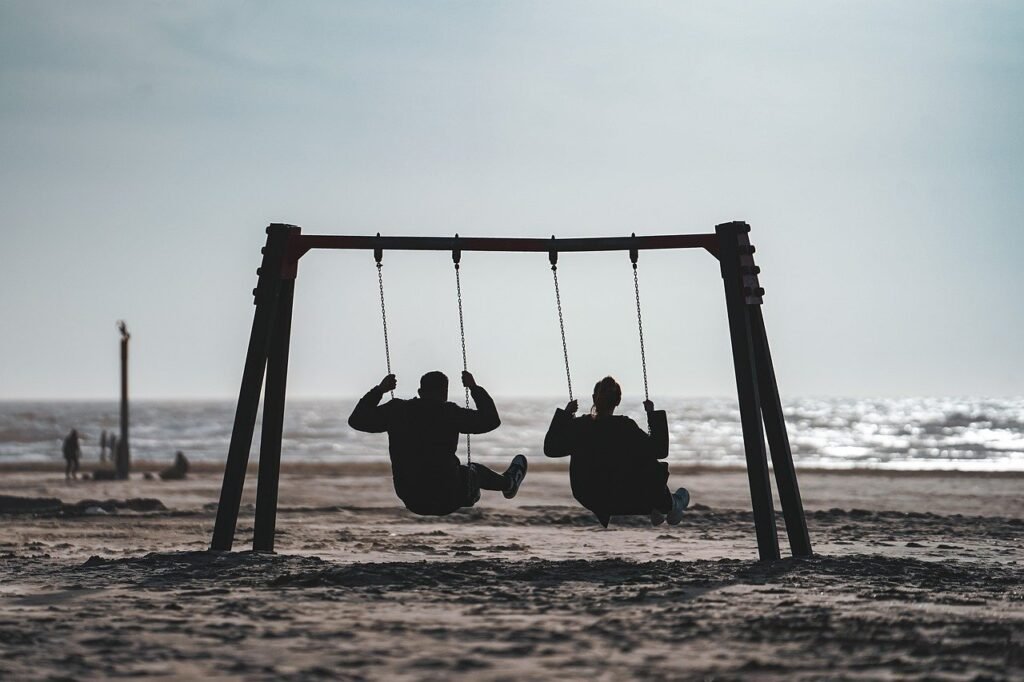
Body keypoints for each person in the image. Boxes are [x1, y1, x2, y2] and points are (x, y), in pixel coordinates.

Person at [348, 370, 528, 516]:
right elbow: (491, 420)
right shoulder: (449, 412)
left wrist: (379, 390)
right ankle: (509, 484)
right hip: (448, 497)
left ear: (420, 392)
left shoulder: (397, 411)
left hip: (411, 497)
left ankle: (480, 487)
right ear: (445, 393)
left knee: (464, 474)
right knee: (474, 471)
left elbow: (357, 420)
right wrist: (474, 388)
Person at [544, 376, 689, 528]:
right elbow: (660, 450)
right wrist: (652, 414)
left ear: (594, 398)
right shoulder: (625, 427)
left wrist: (566, 414)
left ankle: (662, 506)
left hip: (589, 495)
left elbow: (551, 449)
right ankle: (668, 504)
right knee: (648, 460)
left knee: (640, 458)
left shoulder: (580, 426)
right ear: (618, 401)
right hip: (629, 496)